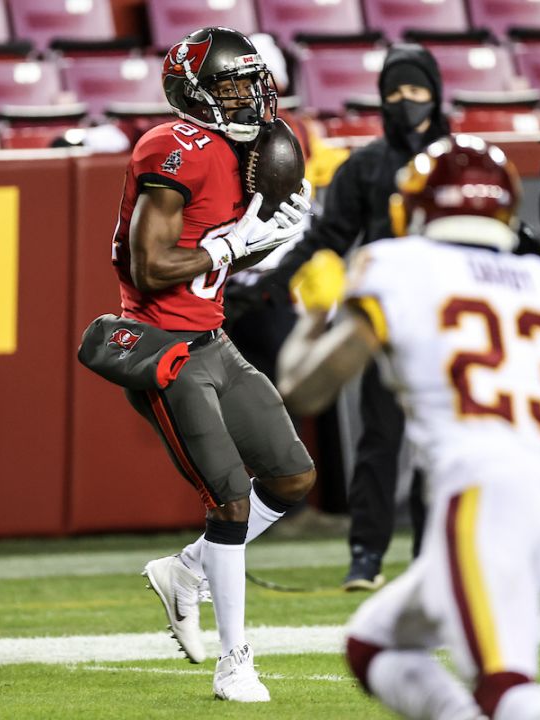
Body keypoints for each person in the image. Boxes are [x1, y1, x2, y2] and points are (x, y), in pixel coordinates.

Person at [274, 135, 540, 720]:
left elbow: (306, 389)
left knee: (505, 688)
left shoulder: (397, 267)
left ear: (419, 204)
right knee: (373, 645)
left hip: (481, 500)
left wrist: (315, 315)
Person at [112, 26, 317, 702]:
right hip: (162, 344)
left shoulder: (250, 150)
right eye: (233, 84)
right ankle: (237, 662)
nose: (251, 95)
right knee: (228, 500)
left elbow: (221, 252)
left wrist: (272, 240)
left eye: (255, 81)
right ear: (195, 93)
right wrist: (237, 245)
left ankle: (187, 570)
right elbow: (151, 264)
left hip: (213, 338)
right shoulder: (173, 147)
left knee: (291, 479)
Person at [225, 43, 451, 591]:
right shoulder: (367, 165)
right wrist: (269, 285)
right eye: (394, 91)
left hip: (452, 321)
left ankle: (434, 560)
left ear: (437, 94)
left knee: (443, 447)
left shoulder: (458, 163)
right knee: (381, 439)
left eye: (416, 89)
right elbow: (325, 237)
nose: (406, 101)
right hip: (388, 323)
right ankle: (366, 558)